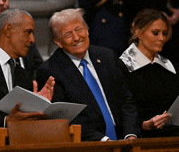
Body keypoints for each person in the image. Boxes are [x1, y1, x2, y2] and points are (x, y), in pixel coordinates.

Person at [36, 8, 140, 141]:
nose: (76, 37)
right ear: (58, 42)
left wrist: (130, 134)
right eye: (68, 34)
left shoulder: (107, 56)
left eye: (79, 30)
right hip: (89, 144)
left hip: (125, 140)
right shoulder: (50, 71)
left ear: (87, 30)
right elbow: (65, 118)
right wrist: (103, 141)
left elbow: (126, 99)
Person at [119, 9, 179, 138]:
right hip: (140, 138)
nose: (161, 38)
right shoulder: (121, 67)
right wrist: (145, 124)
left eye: (165, 33)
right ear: (138, 32)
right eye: (155, 33)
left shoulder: (170, 67)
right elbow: (119, 113)